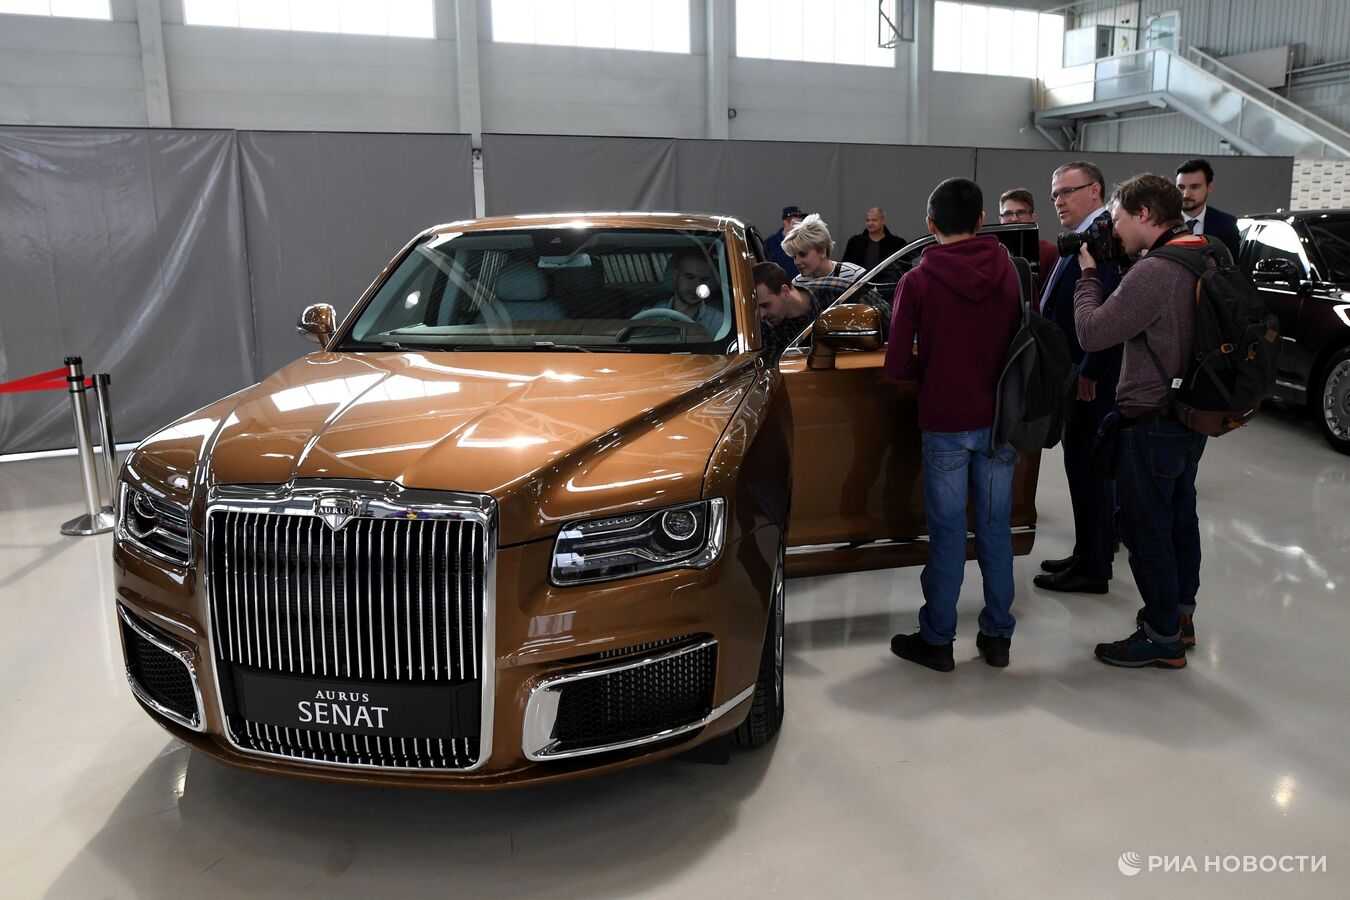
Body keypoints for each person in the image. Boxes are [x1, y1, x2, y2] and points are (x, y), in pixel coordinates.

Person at [884, 178, 1023, 672]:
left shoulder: (917, 281)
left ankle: (938, 640)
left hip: (944, 421)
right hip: (999, 421)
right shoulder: (1009, 270)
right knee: (994, 530)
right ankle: (998, 636)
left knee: (947, 534)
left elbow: (897, 365)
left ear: (930, 225)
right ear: (983, 220)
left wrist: (937, 363)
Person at [1073, 173, 1209, 668]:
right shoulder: (1204, 250)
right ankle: (1181, 616)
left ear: (1144, 214)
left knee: (1146, 527)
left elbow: (1092, 332)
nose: (1114, 229)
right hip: (1192, 411)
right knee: (1180, 518)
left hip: (1151, 419)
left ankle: (1161, 636)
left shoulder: (1156, 271)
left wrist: (1089, 275)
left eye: (1118, 218)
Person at [1034, 161, 1124, 596]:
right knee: (1080, 470)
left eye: (1067, 191)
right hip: (1074, 371)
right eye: (1055, 194)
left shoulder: (1103, 237)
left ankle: (1093, 568)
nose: (1059, 201)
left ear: (1095, 190)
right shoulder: (1085, 236)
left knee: (1088, 471)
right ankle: (1089, 551)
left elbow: (1108, 311)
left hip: (1091, 377)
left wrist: (1090, 369)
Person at [752, 262, 820, 362]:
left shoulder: (835, 292)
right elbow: (773, 367)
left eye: (765, 305)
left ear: (785, 292)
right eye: (758, 309)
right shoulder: (766, 329)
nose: (762, 315)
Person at [644, 249, 724, 334]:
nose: (695, 288)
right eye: (689, 278)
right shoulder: (650, 317)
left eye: (703, 280)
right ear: (675, 276)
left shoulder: (719, 323)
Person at [1175, 158, 1241, 261]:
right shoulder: (1161, 222)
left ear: (1209, 187)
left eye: (1195, 187)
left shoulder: (1226, 225)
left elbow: (1232, 269)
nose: (1186, 194)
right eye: (1181, 187)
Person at [999, 188, 1058, 297]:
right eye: (1008, 214)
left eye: (1021, 212)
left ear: (1033, 218)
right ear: (1000, 219)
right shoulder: (993, 255)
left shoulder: (1051, 253)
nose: (1014, 219)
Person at [783, 214, 865, 284]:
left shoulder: (855, 275)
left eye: (803, 254)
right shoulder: (797, 283)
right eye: (794, 256)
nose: (796, 262)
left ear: (822, 251)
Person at [842, 207, 906, 277]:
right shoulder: (855, 243)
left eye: (874, 220)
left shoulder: (897, 244)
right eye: (868, 220)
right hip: (858, 285)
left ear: (883, 220)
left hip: (887, 286)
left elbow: (905, 270)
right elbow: (845, 267)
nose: (870, 223)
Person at [764, 206, 805, 276]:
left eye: (800, 223)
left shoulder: (804, 242)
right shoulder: (769, 244)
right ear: (786, 223)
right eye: (795, 223)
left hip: (801, 285)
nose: (798, 227)